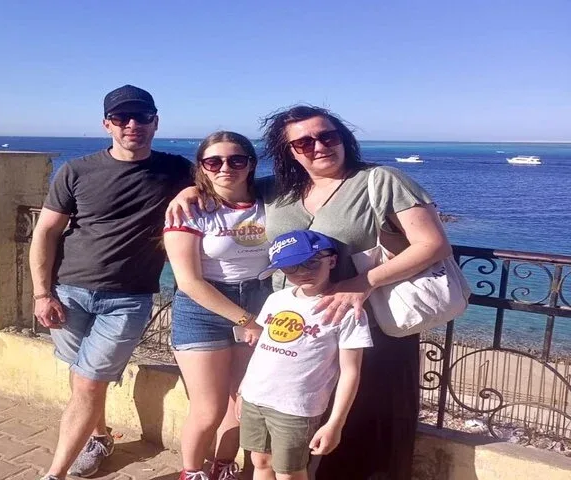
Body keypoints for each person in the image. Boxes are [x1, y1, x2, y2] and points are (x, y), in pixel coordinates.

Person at [166, 105, 452, 479]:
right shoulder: (278, 188)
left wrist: (361, 283)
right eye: (302, 142)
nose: (318, 146)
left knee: (363, 431)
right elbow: (228, 186)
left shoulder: (381, 180)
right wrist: (190, 190)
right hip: (292, 331)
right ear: (289, 152)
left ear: (343, 138)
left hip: (364, 324)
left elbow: (433, 244)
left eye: (326, 136)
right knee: (288, 433)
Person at [30, 84, 193, 480]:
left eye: (142, 116)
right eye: (121, 117)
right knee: (81, 375)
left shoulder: (177, 171)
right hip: (68, 292)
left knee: (88, 383)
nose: (132, 124)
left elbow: (229, 183)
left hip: (128, 299)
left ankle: (54, 474)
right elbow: (46, 232)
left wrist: (188, 194)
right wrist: (42, 293)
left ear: (156, 122)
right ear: (107, 124)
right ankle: (99, 437)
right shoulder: (76, 171)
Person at [163, 131, 273, 480]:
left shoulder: (269, 200)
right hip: (204, 309)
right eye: (214, 161)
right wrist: (247, 320)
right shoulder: (189, 210)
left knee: (242, 401)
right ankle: (192, 471)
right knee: (208, 408)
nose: (226, 168)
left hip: (258, 298)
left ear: (251, 164)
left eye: (236, 160)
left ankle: (223, 466)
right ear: (202, 167)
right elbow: (188, 281)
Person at [237, 229, 373, 480]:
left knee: (289, 471)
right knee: (260, 460)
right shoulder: (276, 299)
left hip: (296, 407)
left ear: (332, 260)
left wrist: (335, 423)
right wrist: (243, 389)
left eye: (311, 263)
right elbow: (262, 350)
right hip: (255, 397)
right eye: (290, 267)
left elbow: (350, 372)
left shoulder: (345, 311)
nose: (301, 272)